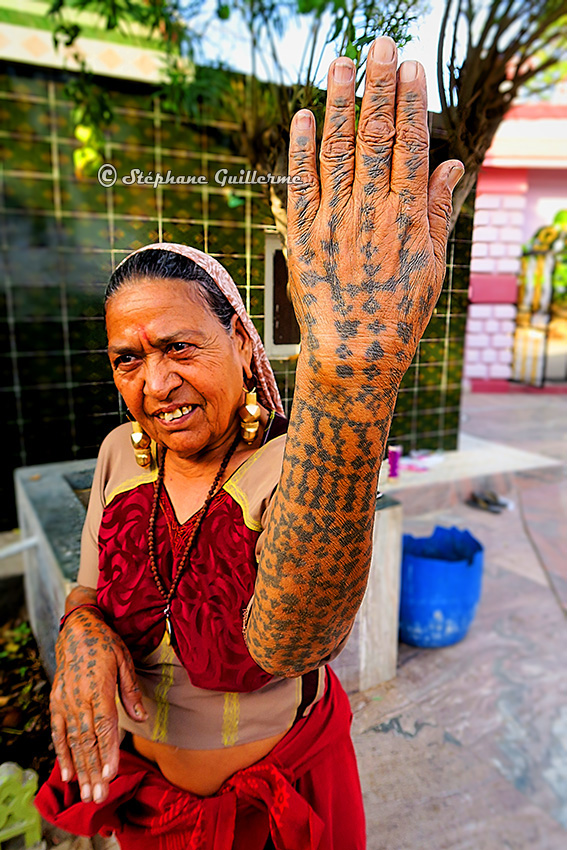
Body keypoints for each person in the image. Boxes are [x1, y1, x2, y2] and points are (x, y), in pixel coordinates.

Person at [35, 36, 464, 849]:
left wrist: (349, 385)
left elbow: (295, 639)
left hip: (280, 810)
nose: (153, 383)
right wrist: (80, 630)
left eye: (179, 348)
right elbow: (88, 592)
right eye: (128, 359)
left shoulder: (291, 465)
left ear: (241, 343)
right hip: (150, 811)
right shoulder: (118, 456)